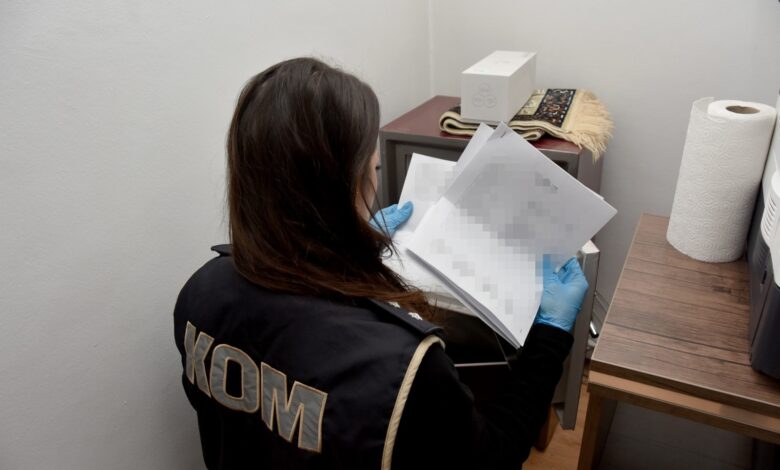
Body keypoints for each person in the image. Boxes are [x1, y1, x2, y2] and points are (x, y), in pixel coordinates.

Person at [173, 57, 589, 470]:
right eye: (372, 170)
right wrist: (550, 336)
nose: (375, 181)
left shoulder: (200, 292)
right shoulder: (404, 370)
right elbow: (493, 458)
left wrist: (346, 253)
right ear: (342, 191)